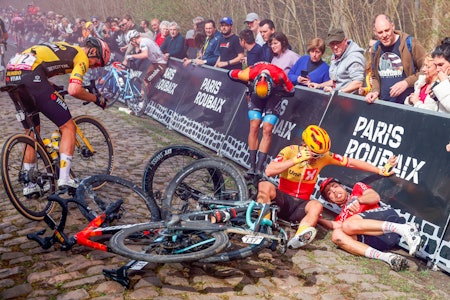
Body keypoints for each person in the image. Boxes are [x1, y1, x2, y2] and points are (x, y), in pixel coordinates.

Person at [256, 125, 397, 249]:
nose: (318, 158)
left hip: (300, 206)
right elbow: (269, 171)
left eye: (321, 155)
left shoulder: (324, 156)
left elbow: (351, 162)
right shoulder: (290, 151)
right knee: (264, 185)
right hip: (283, 199)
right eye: (316, 154)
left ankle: (299, 237)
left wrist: (379, 170)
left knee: (316, 205)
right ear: (305, 145)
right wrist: (295, 160)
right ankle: (262, 227)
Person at [5, 37, 111, 191]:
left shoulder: (64, 47)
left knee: (31, 133)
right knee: (68, 127)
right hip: (30, 75)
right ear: (93, 51)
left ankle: (30, 183)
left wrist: (51, 85)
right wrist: (96, 99)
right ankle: (65, 178)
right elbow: (74, 90)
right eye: (98, 62)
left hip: (12, 75)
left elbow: (40, 65)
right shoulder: (80, 56)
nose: (94, 67)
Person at [318, 177, 422, 271]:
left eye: (335, 186)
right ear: (330, 201)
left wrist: (358, 200)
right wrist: (317, 219)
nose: (334, 191)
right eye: (329, 193)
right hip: (383, 239)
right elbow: (335, 225)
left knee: (347, 225)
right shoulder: (341, 216)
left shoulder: (357, 189)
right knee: (337, 235)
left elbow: (374, 197)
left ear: (342, 186)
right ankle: (387, 257)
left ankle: (405, 228)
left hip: (388, 219)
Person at [228, 62, 295, 177]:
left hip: (274, 95)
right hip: (255, 93)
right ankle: (252, 166)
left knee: (267, 129)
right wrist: (247, 83)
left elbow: (292, 91)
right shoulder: (249, 73)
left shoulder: (280, 75)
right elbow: (229, 74)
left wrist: (278, 90)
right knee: (254, 126)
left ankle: (259, 168)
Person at [365, 14, 426, 104]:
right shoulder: (375, 48)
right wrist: (375, 91)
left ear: (393, 26)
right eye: (380, 32)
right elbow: (375, 77)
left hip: (408, 104)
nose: (384, 35)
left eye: (387, 30)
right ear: (375, 32)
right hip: (384, 104)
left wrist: (406, 83)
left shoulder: (410, 43)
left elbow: (427, 70)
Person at [309, 28, 365, 94]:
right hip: (338, 98)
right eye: (332, 44)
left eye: (338, 43)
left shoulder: (354, 57)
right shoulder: (336, 56)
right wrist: (319, 85)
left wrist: (338, 93)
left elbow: (358, 82)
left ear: (345, 41)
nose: (335, 47)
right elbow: (335, 80)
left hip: (351, 99)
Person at [123, 30, 167, 95]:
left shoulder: (143, 43)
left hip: (160, 64)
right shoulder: (144, 40)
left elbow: (144, 55)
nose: (132, 43)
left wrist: (131, 56)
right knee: (145, 82)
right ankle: (143, 100)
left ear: (134, 39)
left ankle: (143, 101)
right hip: (155, 63)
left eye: (131, 41)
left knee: (145, 82)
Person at [430, 37, 450, 113]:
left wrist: (444, 84)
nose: (437, 69)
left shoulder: (444, 82)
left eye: (441, 64)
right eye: (435, 65)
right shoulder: (442, 80)